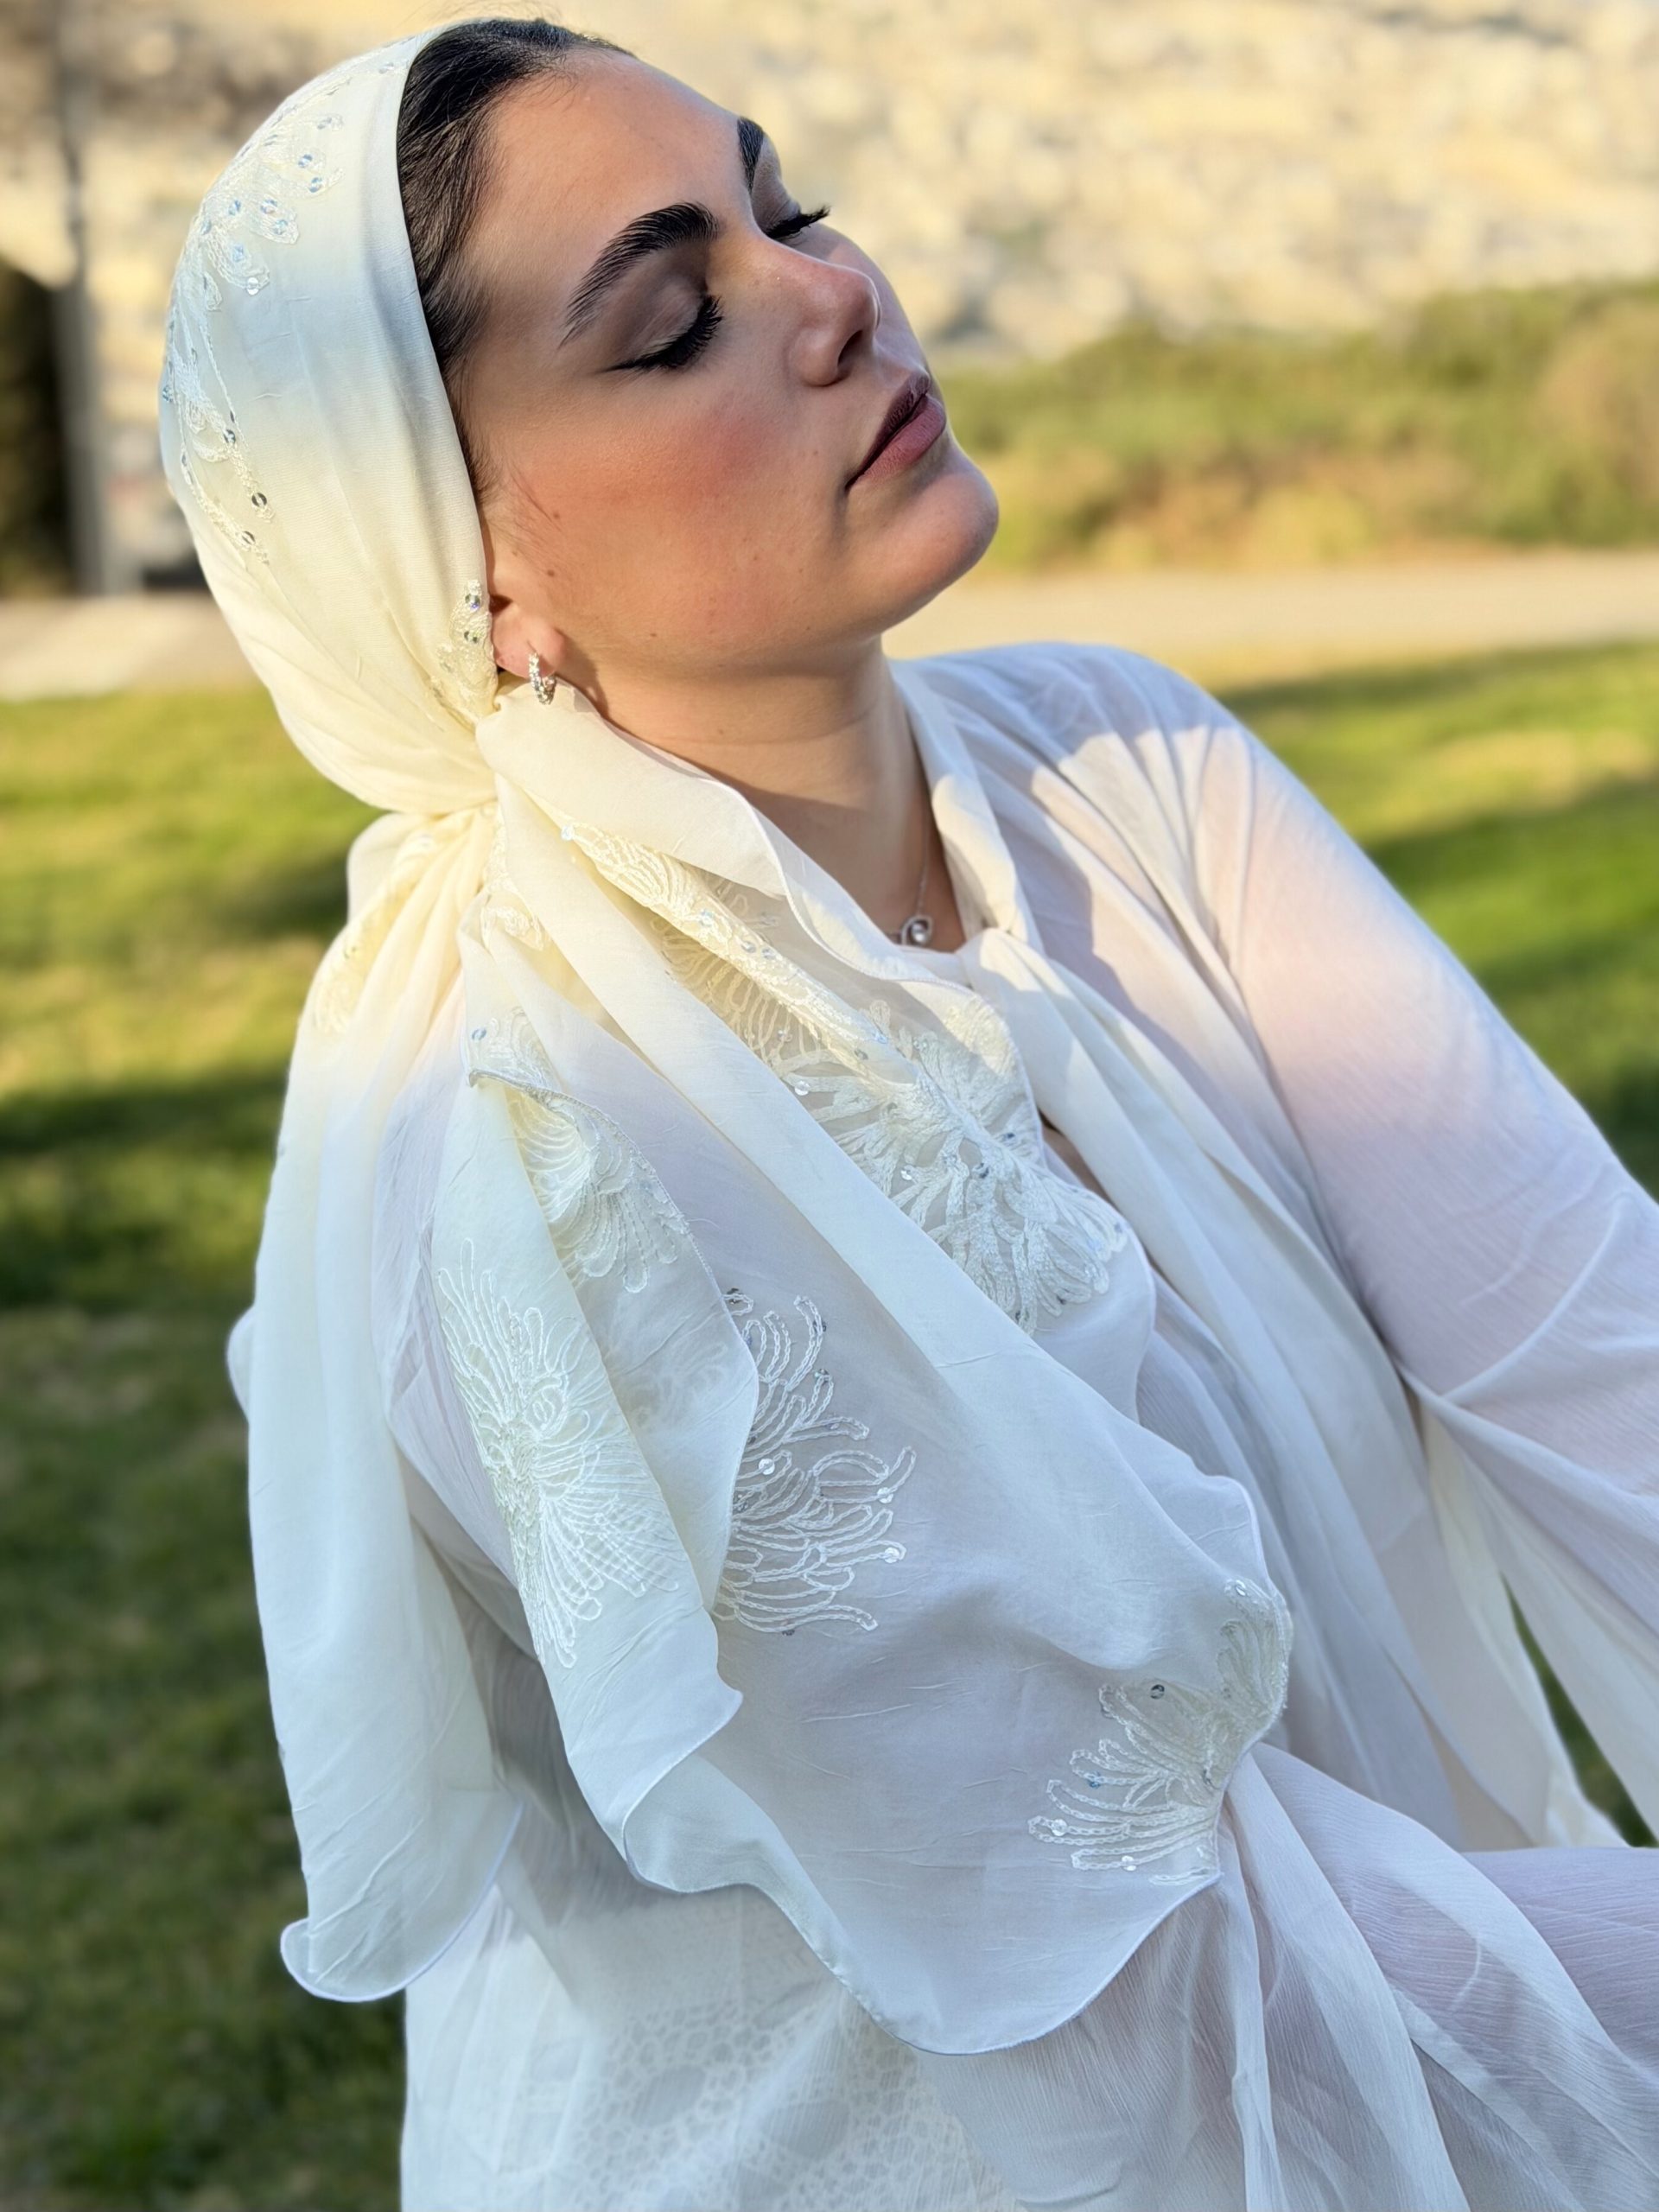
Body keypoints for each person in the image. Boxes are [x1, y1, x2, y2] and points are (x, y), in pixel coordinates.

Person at [157, 18, 1659, 2211]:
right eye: (673, 320)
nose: (831, 295)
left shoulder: (1120, 767)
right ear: (466, 576)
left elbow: (1600, 1367)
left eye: (791, 209)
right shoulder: (531, 1143)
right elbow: (1158, 1984)